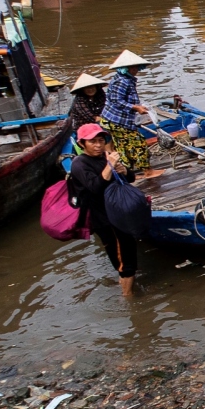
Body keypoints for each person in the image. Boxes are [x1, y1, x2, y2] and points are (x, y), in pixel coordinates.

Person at [69, 123, 138, 296]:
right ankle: (128, 300)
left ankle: (124, 285)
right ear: (82, 144)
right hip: (104, 219)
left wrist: (122, 170)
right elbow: (95, 188)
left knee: (126, 254)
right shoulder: (79, 164)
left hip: (118, 213)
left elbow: (130, 178)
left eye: (101, 140)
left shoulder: (104, 158)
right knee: (124, 261)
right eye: (92, 142)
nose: (98, 145)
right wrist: (110, 166)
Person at [99, 50, 163, 180]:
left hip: (114, 120)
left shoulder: (124, 79)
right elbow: (117, 101)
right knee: (138, 143)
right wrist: (135, 107)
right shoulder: (122, 81)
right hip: (117, 121)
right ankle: (147, 171)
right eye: (132, 67)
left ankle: (127, 172)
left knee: (122, 146)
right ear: (125, 68)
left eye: (136, 67)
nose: (136, 70)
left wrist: (138, 106)